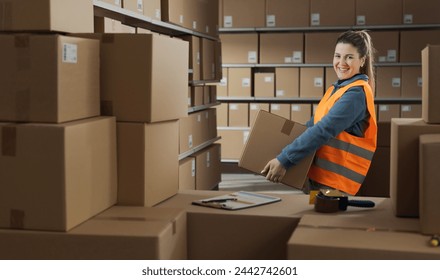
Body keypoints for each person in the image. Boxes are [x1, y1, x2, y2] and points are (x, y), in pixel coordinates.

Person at [261, 30, 377, 196]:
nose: (341, 62)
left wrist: (285, 159)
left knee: (325, 221)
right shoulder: (337, 89)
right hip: (320, 180)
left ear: (362, 61)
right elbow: (312, 125)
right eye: (338, 56)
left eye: (349, 57)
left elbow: (323, 129)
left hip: (335, 186)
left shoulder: (356, 94)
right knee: (314, 219)